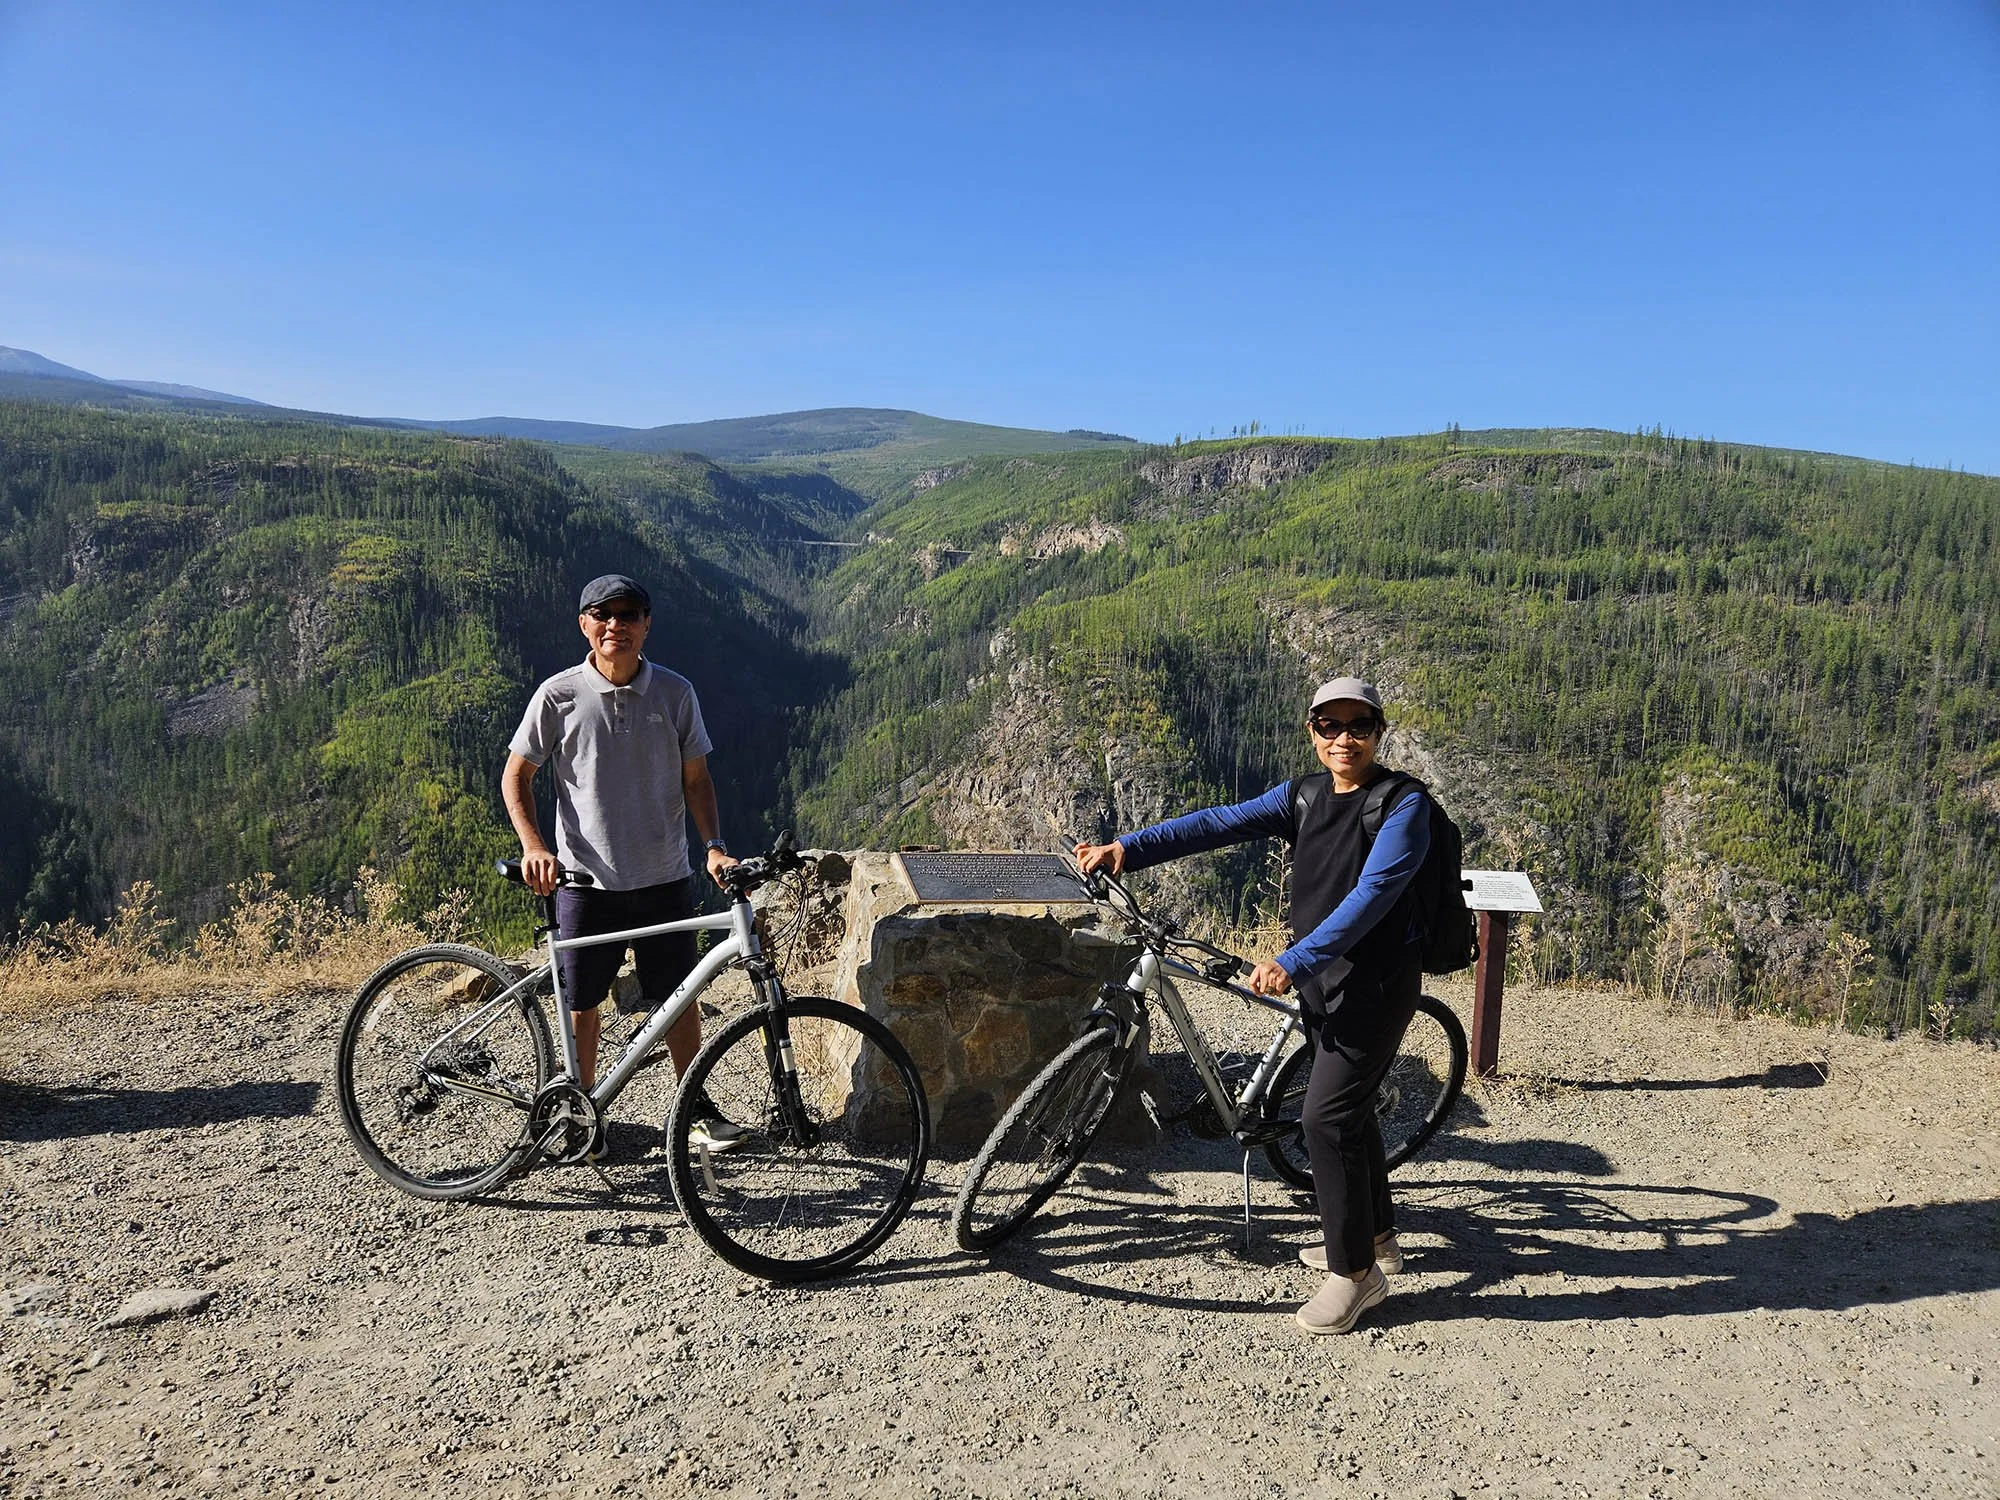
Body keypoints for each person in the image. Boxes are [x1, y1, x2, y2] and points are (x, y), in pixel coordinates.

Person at [1076, 676, 1430, 1335]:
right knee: (1349, 1112)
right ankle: (1378, 1237)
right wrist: (1130, 848)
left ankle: (1356, 1276)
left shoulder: (1403, 805)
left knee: (1324, 1118)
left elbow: (1374, 894)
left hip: (1376, 986)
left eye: (1359, 726)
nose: (1344, 738)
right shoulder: (1303, 795)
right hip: (1325, 981)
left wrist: (1293, 961)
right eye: (1330, 725)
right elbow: (1217, 822)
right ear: (1312, 732)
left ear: (1380, 732)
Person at [501, 573, 741, 1153]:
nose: (616, 625)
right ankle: (582, 1112)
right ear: (584, 624)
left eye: (629, 614)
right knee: (584, 1003)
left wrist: (713, 845)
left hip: (663, 875)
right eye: (603, 614)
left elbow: (697, 778)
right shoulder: (557, 695)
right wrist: (536, 846)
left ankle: (695, 1107)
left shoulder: (676, 693)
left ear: (646, 624)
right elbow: (517, 776)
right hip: (586, 881)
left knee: (679, 999)